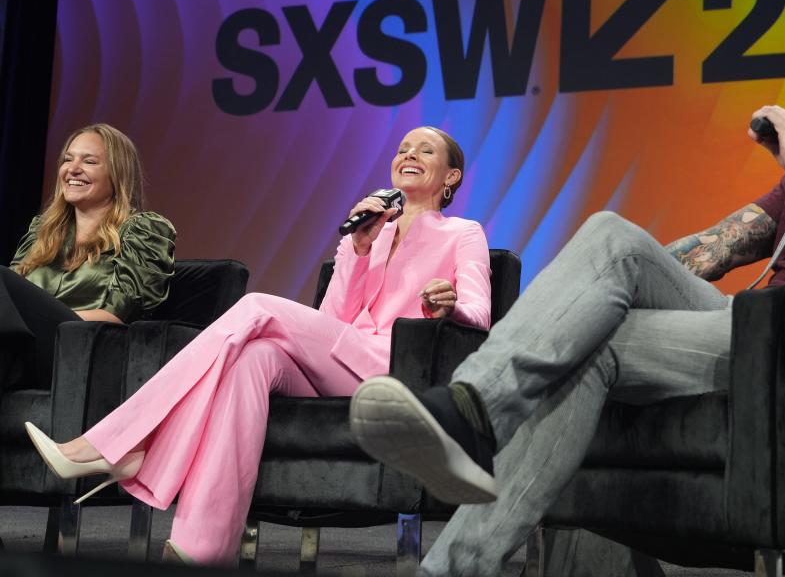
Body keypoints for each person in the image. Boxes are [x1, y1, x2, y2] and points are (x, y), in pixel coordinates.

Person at [349, 0, 785, 576]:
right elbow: (704, 252)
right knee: (611, 242)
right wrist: (572, 300)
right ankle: (471, 418)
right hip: (742, 329)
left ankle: (468, 462)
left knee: (592, 347)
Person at [25, 126, 492, 565]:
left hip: (393, 370)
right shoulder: (365, 233)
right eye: (403, 148)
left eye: (424, 150)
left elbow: (480, 314)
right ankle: (202, 549)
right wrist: (361, 251)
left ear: (450, 177)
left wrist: (446, 307)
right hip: (339, 360)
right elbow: (330, 321)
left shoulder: (462, 233)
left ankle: (115, 440)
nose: (408, 154)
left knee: (257, 308)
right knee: (252, 358)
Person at [3, 123, 175, 390]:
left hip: (86, 352)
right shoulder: (42, 230)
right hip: (24, 349)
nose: (72, 169)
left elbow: (119, 313)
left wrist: (45, 323)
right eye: (68, 159)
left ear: (117, 174)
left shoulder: (144, 229)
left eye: (90, 161)